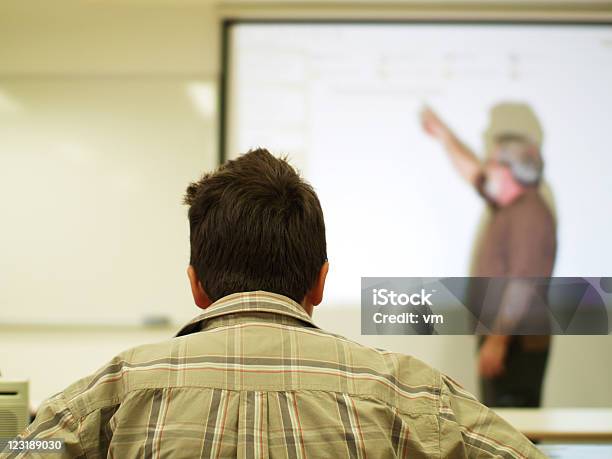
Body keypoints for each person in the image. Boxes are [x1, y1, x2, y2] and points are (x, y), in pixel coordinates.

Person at [2, 149, 543, 458]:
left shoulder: (120, 387)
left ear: (196, 285)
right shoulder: (403, 390)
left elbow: (26, 453)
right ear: (320, 283)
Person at [421, 107, 557, 409]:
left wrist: (497, 342)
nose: (487, 167)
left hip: (515, 345)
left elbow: (523, 284)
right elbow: (472, 172)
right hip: (506, 340)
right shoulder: (509, 204)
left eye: (494, 162)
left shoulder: (530, 215)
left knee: (514, 432)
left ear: (515, 171)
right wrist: (443, 134)